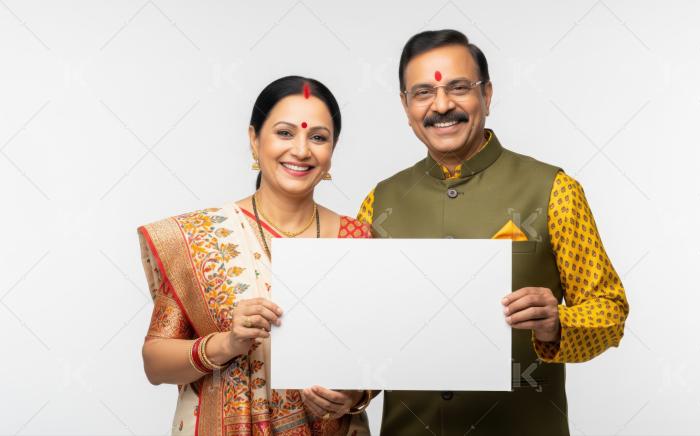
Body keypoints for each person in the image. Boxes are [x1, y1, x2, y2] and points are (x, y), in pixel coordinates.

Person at [357, 30, 630, 435]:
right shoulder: (378, 204)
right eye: (423, 92)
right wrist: (350, 390)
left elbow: (610, 311)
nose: (442, 105)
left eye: (459, 88)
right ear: (405, 105)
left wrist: (558, 323)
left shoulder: (555, 190)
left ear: (486, 95)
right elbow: (365, 333)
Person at [138, 76, 371, 435]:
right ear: (254, 139)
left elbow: (379, 355)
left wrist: (355, 394)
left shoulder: (358, 239)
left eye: (318, 137)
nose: (301, 150)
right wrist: (227, 343)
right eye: (284, 132)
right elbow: (155, 362)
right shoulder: (201, 238)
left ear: (332, 149)